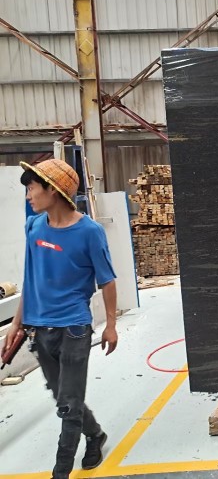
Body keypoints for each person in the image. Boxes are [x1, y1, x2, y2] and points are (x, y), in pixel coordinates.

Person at [2, 159, 118, 479]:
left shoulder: (90, 232)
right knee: (63, 398)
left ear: (52, 190)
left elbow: (107, 281)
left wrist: (111, 325)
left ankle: (60, 473)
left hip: (74, 328)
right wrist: (16, 324)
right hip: (40, 329)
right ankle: (95, 434)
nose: (28, 195)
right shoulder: (34, 227)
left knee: (68, 403)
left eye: (32, 188)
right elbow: (30, 279)